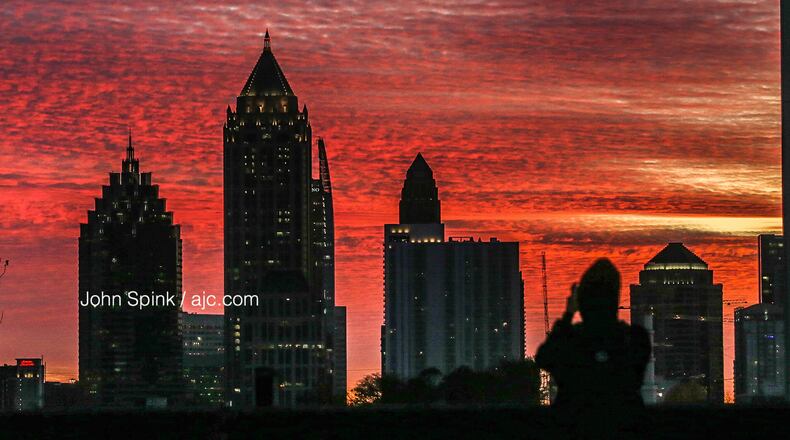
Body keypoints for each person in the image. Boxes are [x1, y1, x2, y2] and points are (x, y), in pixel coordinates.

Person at [535, 258, 651, 438]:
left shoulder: (571, 340)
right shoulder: (634, 338)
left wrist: (568, 315)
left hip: (574, 427)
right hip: (624, 427)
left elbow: (544, 358)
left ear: (582, 302)